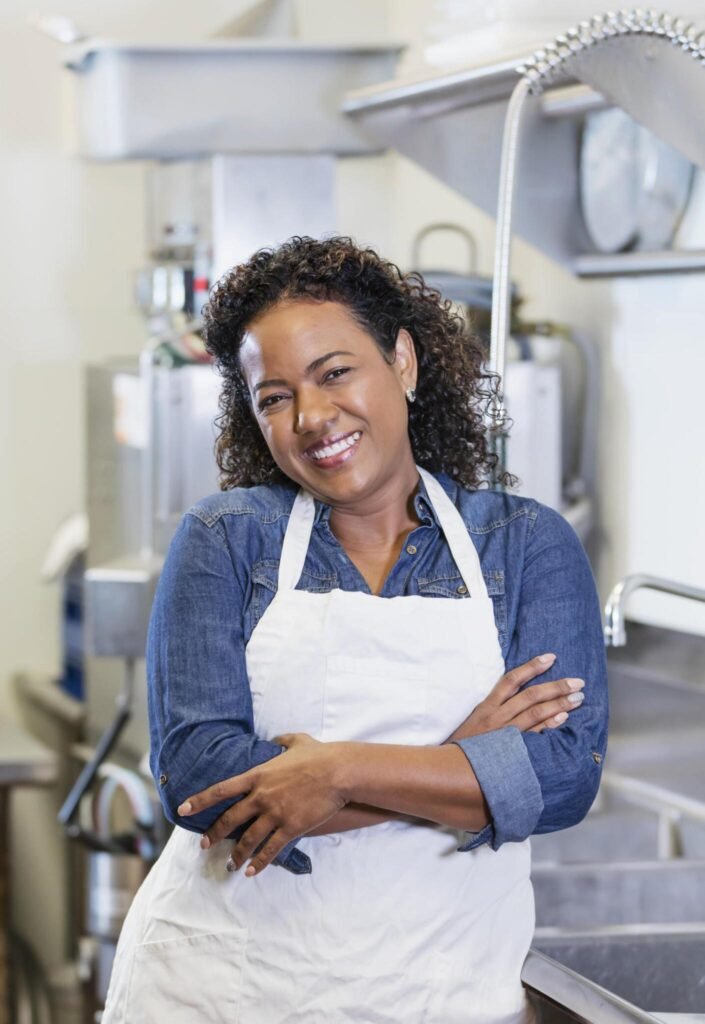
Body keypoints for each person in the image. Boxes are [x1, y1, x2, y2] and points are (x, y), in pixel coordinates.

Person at [102, 236, 608, 1024]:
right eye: (273, 397)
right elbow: (202, 784)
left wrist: (330, 774)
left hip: (438, 994)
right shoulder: (227, 537)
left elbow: (561, 776)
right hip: (221, 990)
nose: (310, 417)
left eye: (334, 373)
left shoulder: (523, 544)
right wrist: (460, 762)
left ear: (402, 362)